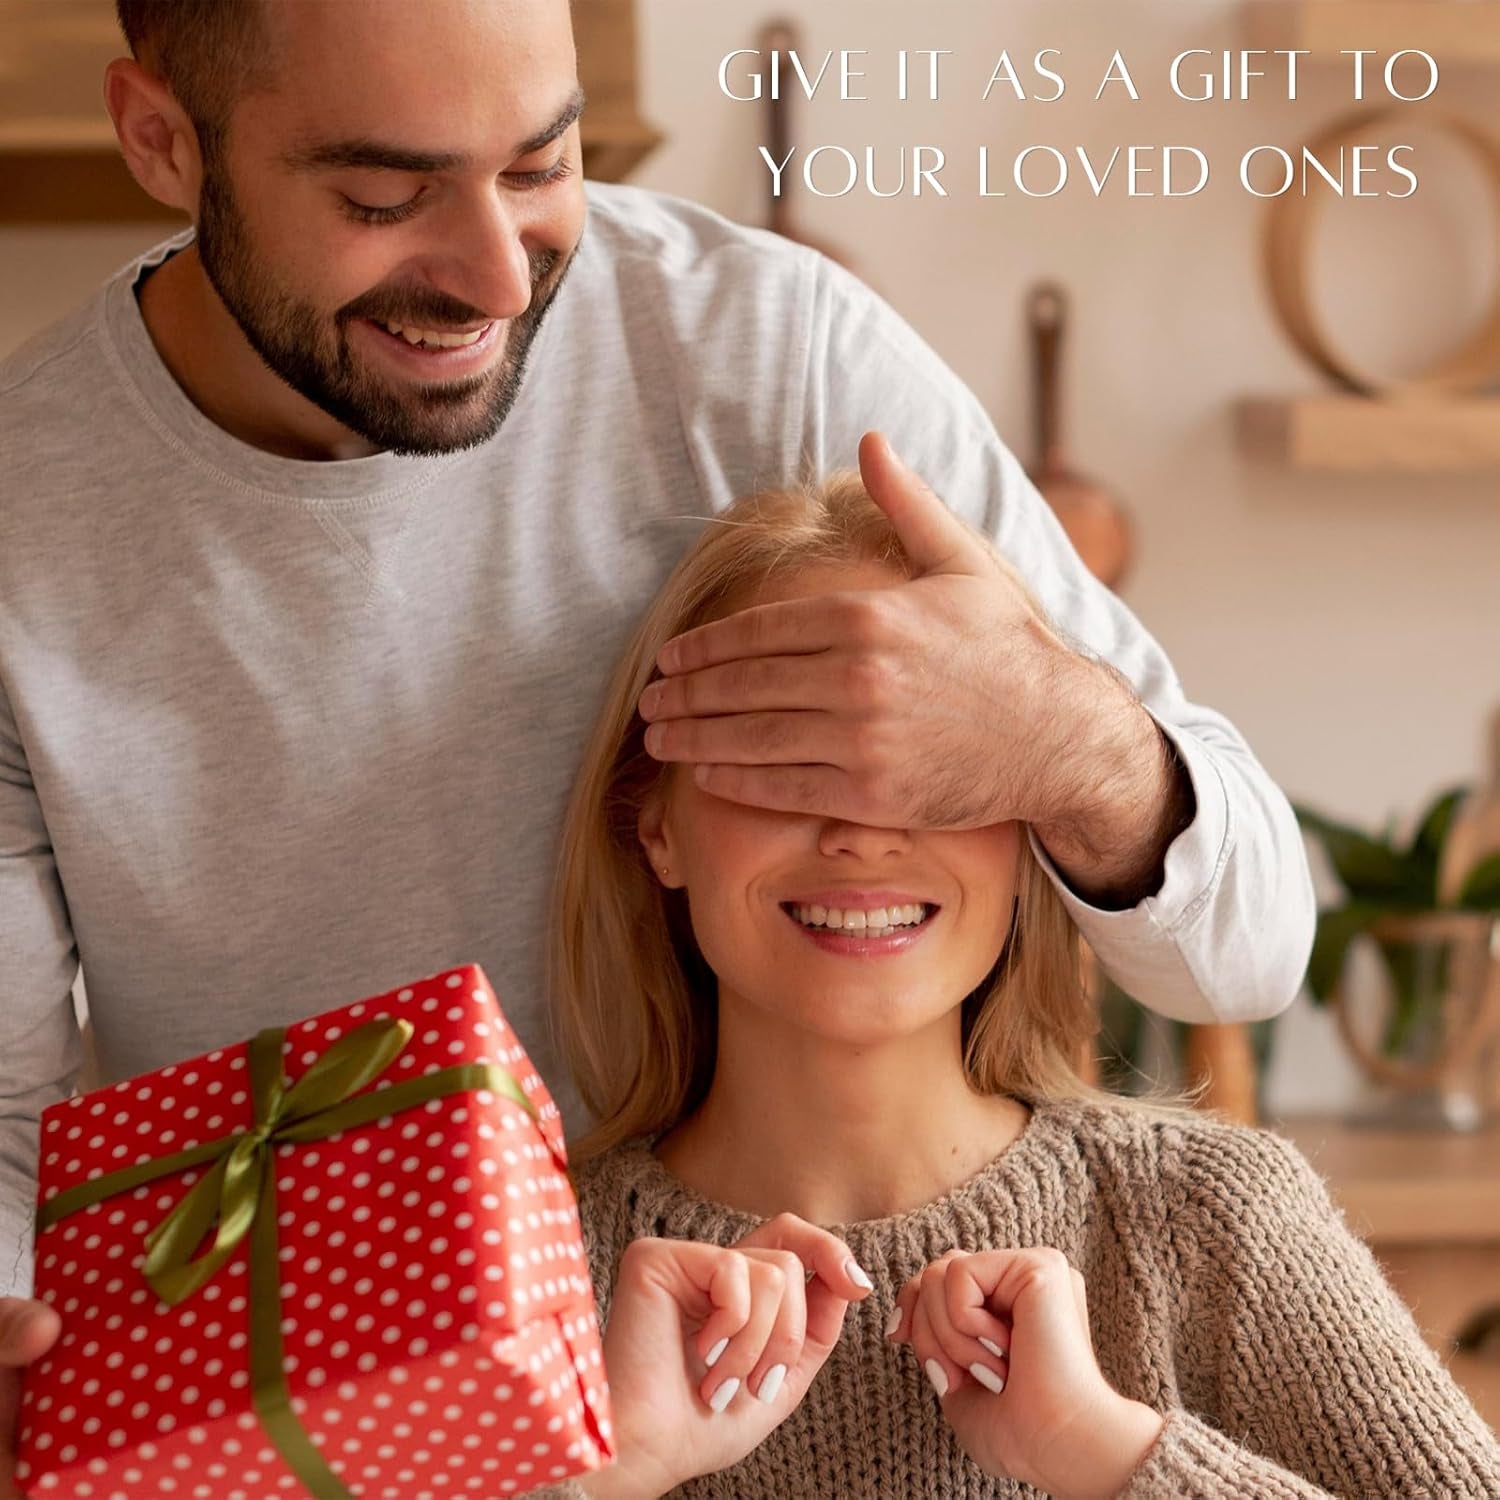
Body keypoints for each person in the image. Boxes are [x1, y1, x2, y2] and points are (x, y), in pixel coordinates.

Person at [0, 0, 1315, 1484]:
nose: (498, 273)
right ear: (160, 138)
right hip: (334, 1440)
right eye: (383, 197)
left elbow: (1248, 946)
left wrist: (1063, 741)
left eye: (541, 166)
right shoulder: (21, 516)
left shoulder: (772, 351)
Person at [541, 473, 1500, 1498]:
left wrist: (1110, 1455)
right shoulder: (531, 1270)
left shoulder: (1212, 1225)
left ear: (1030, 813)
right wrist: (605, 1476)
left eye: (932, 768)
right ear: (656, 825)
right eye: (783, 760)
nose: (864, 830)